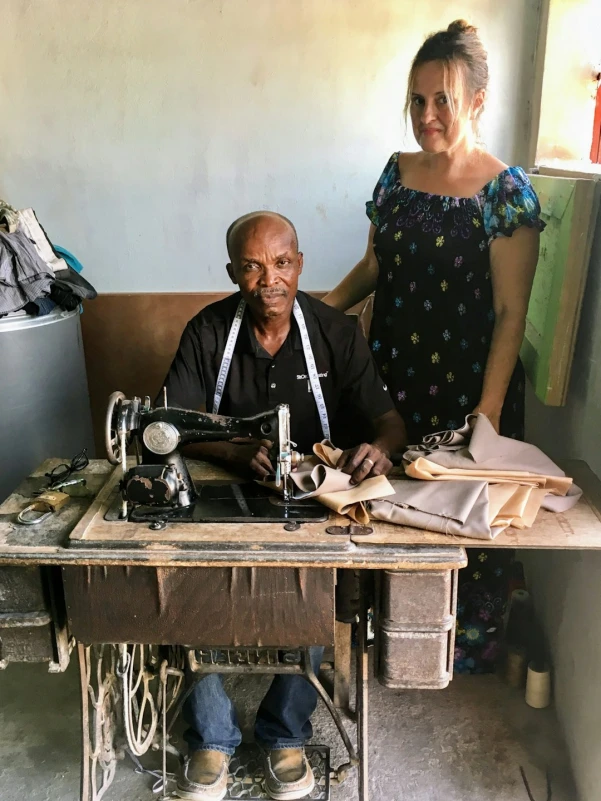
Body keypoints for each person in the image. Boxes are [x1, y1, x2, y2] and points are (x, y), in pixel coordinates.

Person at [324, 20, 546, 673]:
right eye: (416, 100)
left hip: (465, 385)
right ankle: (387, 643)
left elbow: (510, 313)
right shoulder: (395, 174)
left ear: (476, 100)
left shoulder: (505, 194)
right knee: (380, 503)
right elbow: (372, 268)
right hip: (389, 372)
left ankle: (451, 656)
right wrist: (321, 309)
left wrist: (488, 413)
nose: (426, 115)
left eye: (441, 100)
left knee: (454, 521)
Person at [162, 210, 406, 801]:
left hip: (314, 496)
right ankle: (212, 736)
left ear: (300, 265)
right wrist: (235, 451)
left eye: (281, 262)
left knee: (317, 586)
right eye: (251, 266)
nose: (268, 278)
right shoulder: (205, 333)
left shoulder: (336, 334)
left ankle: (285, 729)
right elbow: (171, 426)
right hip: (223, 488)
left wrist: (377, 450)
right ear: (232, 272)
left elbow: (391, 424)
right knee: (178, 575)